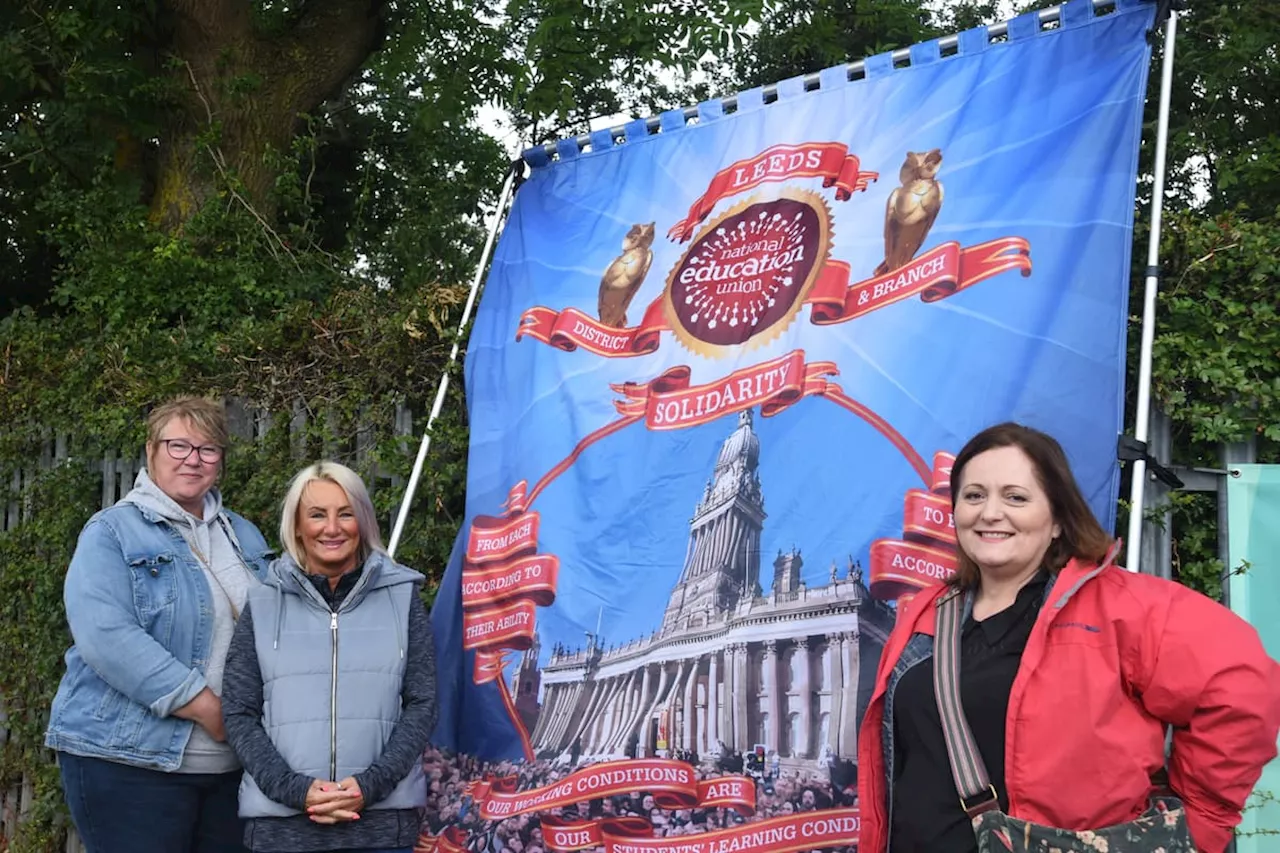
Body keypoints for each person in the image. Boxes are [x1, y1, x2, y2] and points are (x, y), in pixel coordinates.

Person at [857, 422, 1280, 853]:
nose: (989, 512)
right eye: (974, 495)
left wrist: (1201, 821)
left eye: (1015, 497)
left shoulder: (1121, 607)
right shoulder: (927, 613)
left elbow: (1241, 685)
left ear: (1058, 519)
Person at [45, 396, 273, 852]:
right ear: (151, 451)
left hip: (230, 769)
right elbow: (106, 636)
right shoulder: (112, 533)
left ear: (220, 462)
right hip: (128, 762)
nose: (193, 460)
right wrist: (205, 705)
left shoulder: (244, 535)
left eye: (207, 450)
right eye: (178, 446)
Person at [222, 461, 437, 853]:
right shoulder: (263, 602)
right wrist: (295, 791)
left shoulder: (403, 597)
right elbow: (239, 711)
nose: (332, 528)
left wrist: (369, 785)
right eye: (317, 515)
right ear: (298, 527)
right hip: (282, 828)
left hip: (382, 827)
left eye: (346, 513)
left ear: (364, 521)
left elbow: (422, 703)